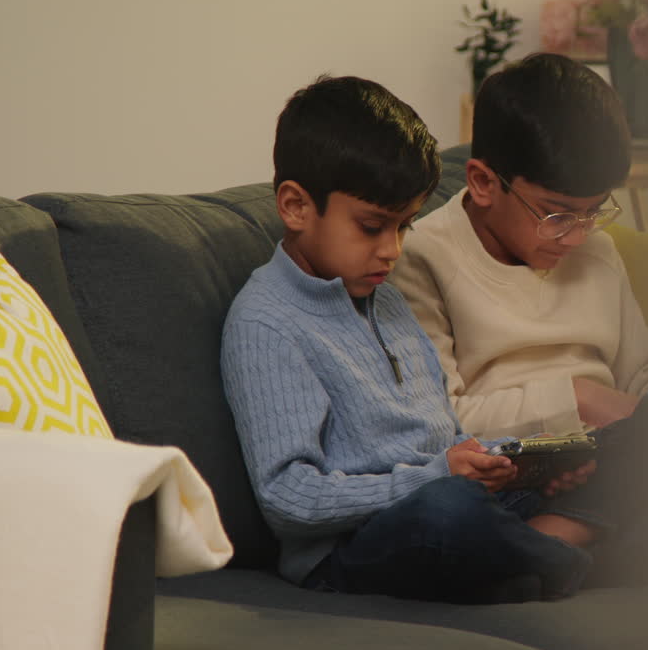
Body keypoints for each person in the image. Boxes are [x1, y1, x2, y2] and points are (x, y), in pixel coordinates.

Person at [220, 74, 602, 603]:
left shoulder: (387, 297)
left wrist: (506, 467)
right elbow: (288, 497)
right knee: (447, 514)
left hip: (447, 499)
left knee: (624, 460)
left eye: (405, 227)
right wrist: (434, 478)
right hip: (355, 545)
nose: (392, 251)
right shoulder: (266, 323)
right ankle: (566, 561)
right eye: (373, 226)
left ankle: (518, 566)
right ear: (295, 206)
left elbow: (441, 438)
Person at [392, 53, 648, 441]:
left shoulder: (598, 250)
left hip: (612, 455)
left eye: (593, 211)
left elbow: (645, 371)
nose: (577, 237)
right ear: (482, 183)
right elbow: (440, 418)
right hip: (508, 469)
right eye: (556, 214)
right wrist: (579, 400)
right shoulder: (421, 257)